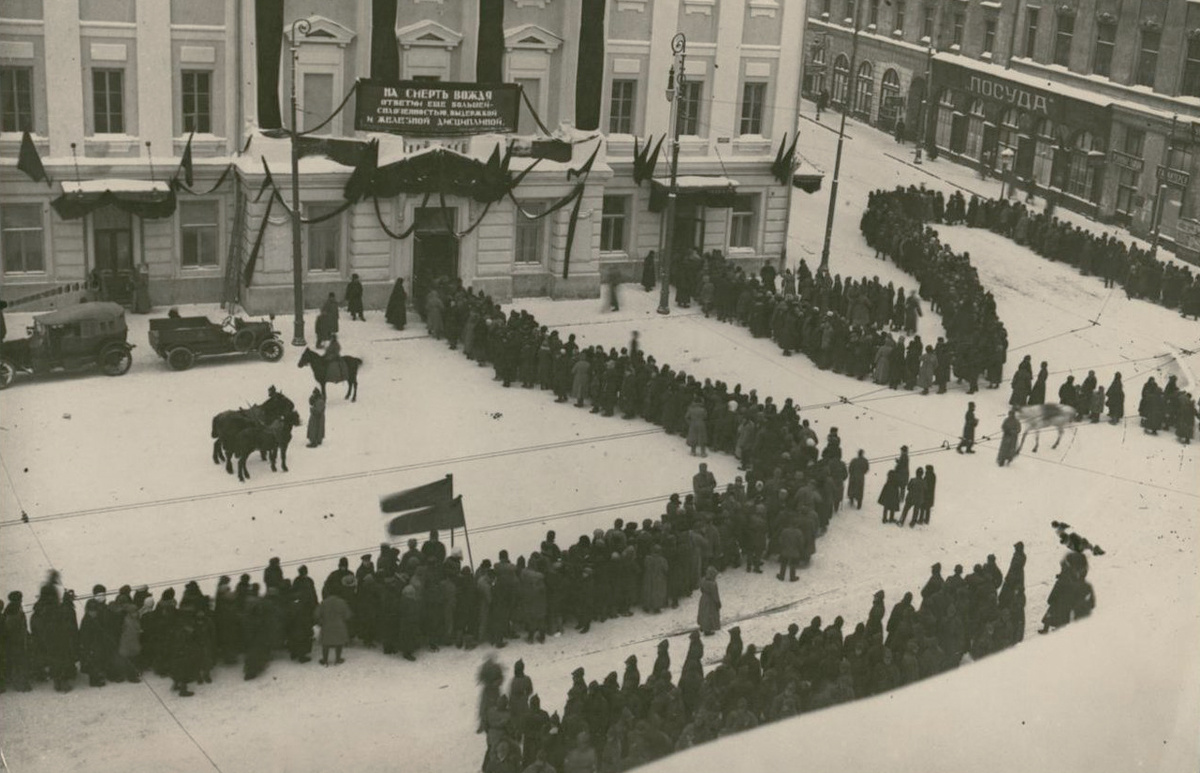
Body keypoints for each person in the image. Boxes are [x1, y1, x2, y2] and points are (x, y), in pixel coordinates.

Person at [697, 567, 721, 635]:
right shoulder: (713, 584)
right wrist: (718, 602)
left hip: (703, 598)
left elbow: (701, 589)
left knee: (703, 613)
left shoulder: (703, 580)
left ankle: (702, 626)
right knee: (710, 615)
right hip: (711, 600)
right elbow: (715, 594)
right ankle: (707, 629)